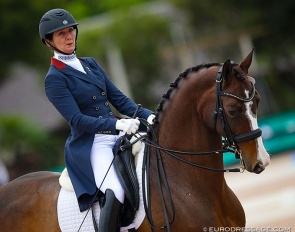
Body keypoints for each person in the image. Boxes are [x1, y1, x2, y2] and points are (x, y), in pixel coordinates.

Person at [39, 8, 155, 232]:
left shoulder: (91, 64)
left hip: (118, 134)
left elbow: (120, 100)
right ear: (48, 42)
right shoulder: (54, 79)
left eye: (70, 30)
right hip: (92, 144)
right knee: (116, 191)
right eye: (61, 34)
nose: (69, 36)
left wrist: (148, 115)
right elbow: (77, 120)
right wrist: (117, 124)